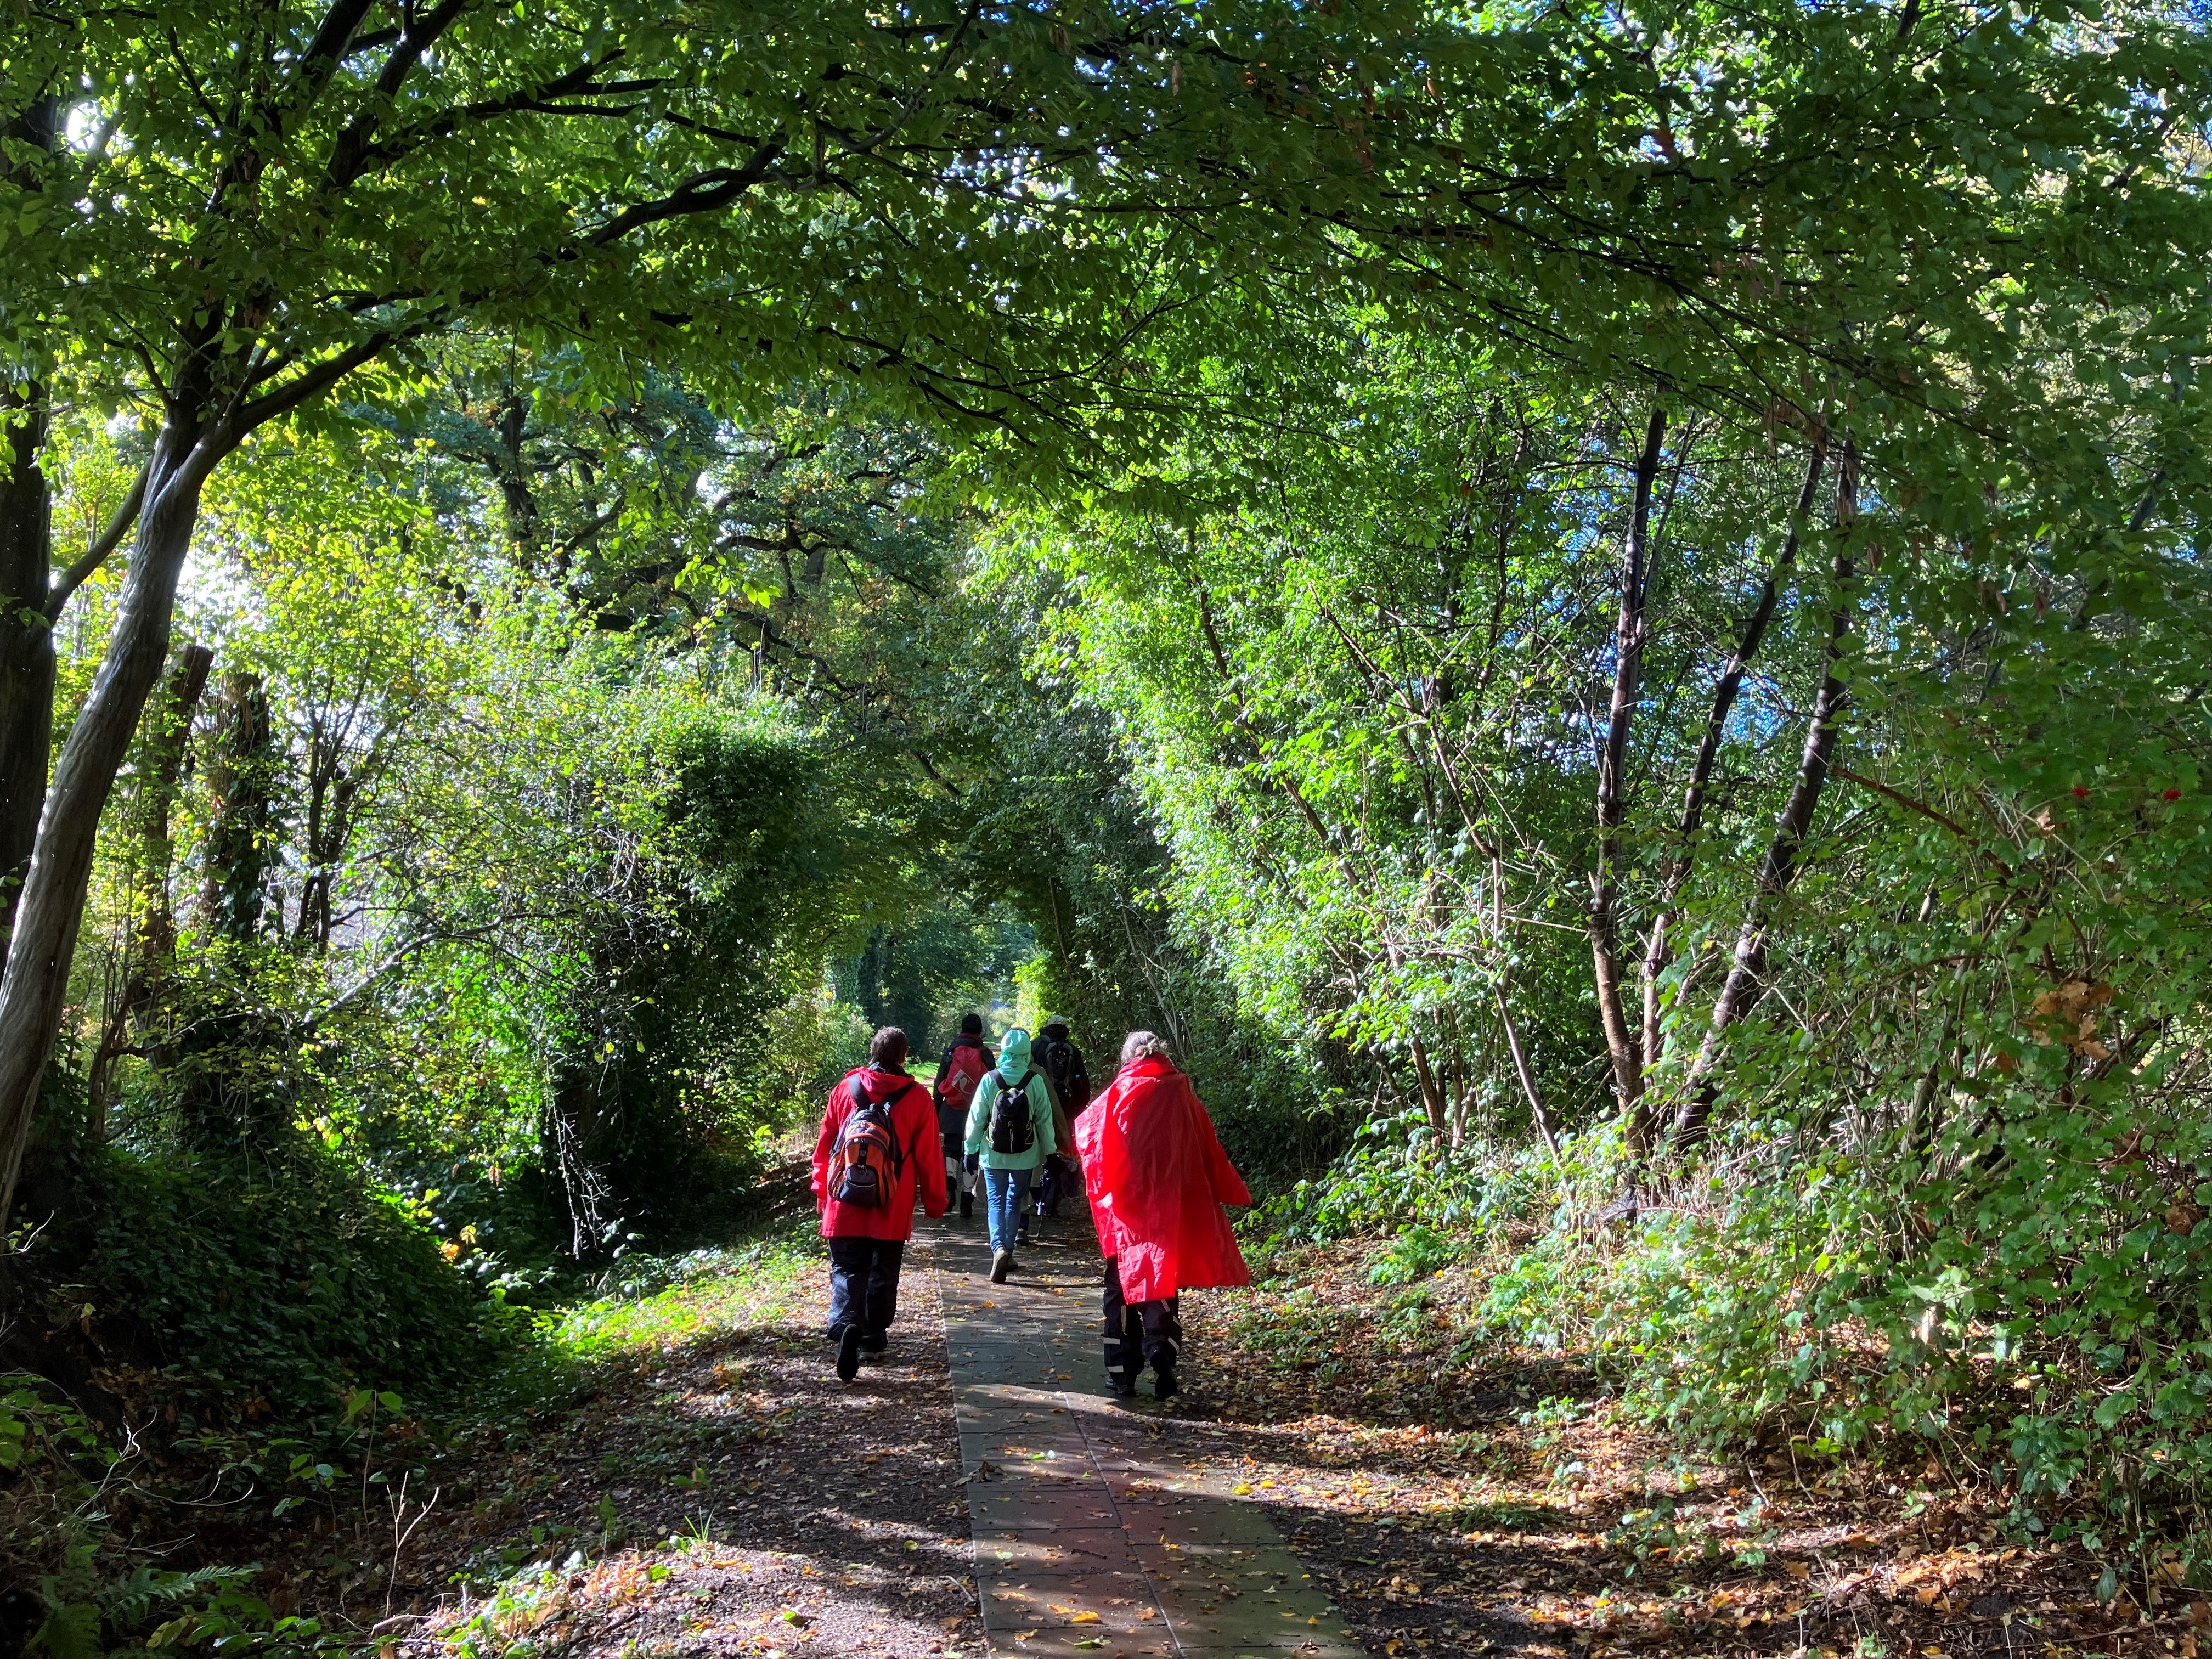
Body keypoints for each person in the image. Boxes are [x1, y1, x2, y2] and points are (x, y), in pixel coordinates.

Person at [1074, 1031, 1251, 1402]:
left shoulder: (1119, 1094)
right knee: (1160, 1277)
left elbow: (1090, 1140)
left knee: (1120, 1288)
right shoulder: (1180, 1091)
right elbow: (1207, 1145)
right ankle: (1161, 1351)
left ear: (1127, 1058)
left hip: (1127, 1206)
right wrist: (1231, 1189)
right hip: (1170, 1203)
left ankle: (1122, 1373)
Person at [811, 1026, 947, 1382]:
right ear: (904, 1057)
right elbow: (931, 1157)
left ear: (872, 1051)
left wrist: (821, 1193)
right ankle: (872, 1335)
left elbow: (826, 1146)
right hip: (891, 1204)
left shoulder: (844, 1090)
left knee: (846, 1269)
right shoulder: (918, 1098)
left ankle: (847, 1324)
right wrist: (935, 1203)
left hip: (844, 1201)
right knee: (883, 1272)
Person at [962, 1025, 1057, 1284]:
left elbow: (977, 1118)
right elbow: (1044, 1121)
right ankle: (1009, 1250)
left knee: (996, 1199)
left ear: (1004, 1050)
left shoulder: (990, 1080)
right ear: (1027, 1053)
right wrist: (1051, 1154)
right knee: (1015, 1200)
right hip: (1026, 1154)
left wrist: (970, 1150)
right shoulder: (1035, 1080)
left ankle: (998, 1249)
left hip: (993, 1153)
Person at [933, 1013, 994, 1220]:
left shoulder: (951, 1051)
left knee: (950, 1148)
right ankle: (967, 1199)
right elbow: (994, 1084)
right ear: (980, 1031)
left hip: (951, 1109)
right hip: (976, 1111)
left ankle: (949, 1186)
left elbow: (941, 1079)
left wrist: (936, 1105)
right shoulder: (985, 1054)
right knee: (972, 1150)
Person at [1032, 1018, 1091, 1221]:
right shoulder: (1072, 1050)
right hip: (1066, 1107)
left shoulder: (1036, 1046)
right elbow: (1083, 1081)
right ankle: (1053, 1199)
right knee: (1059, 1150)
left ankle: (1037, 1196)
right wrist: (1080, 1107)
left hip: (1040, 1105)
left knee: (1039, 1149)